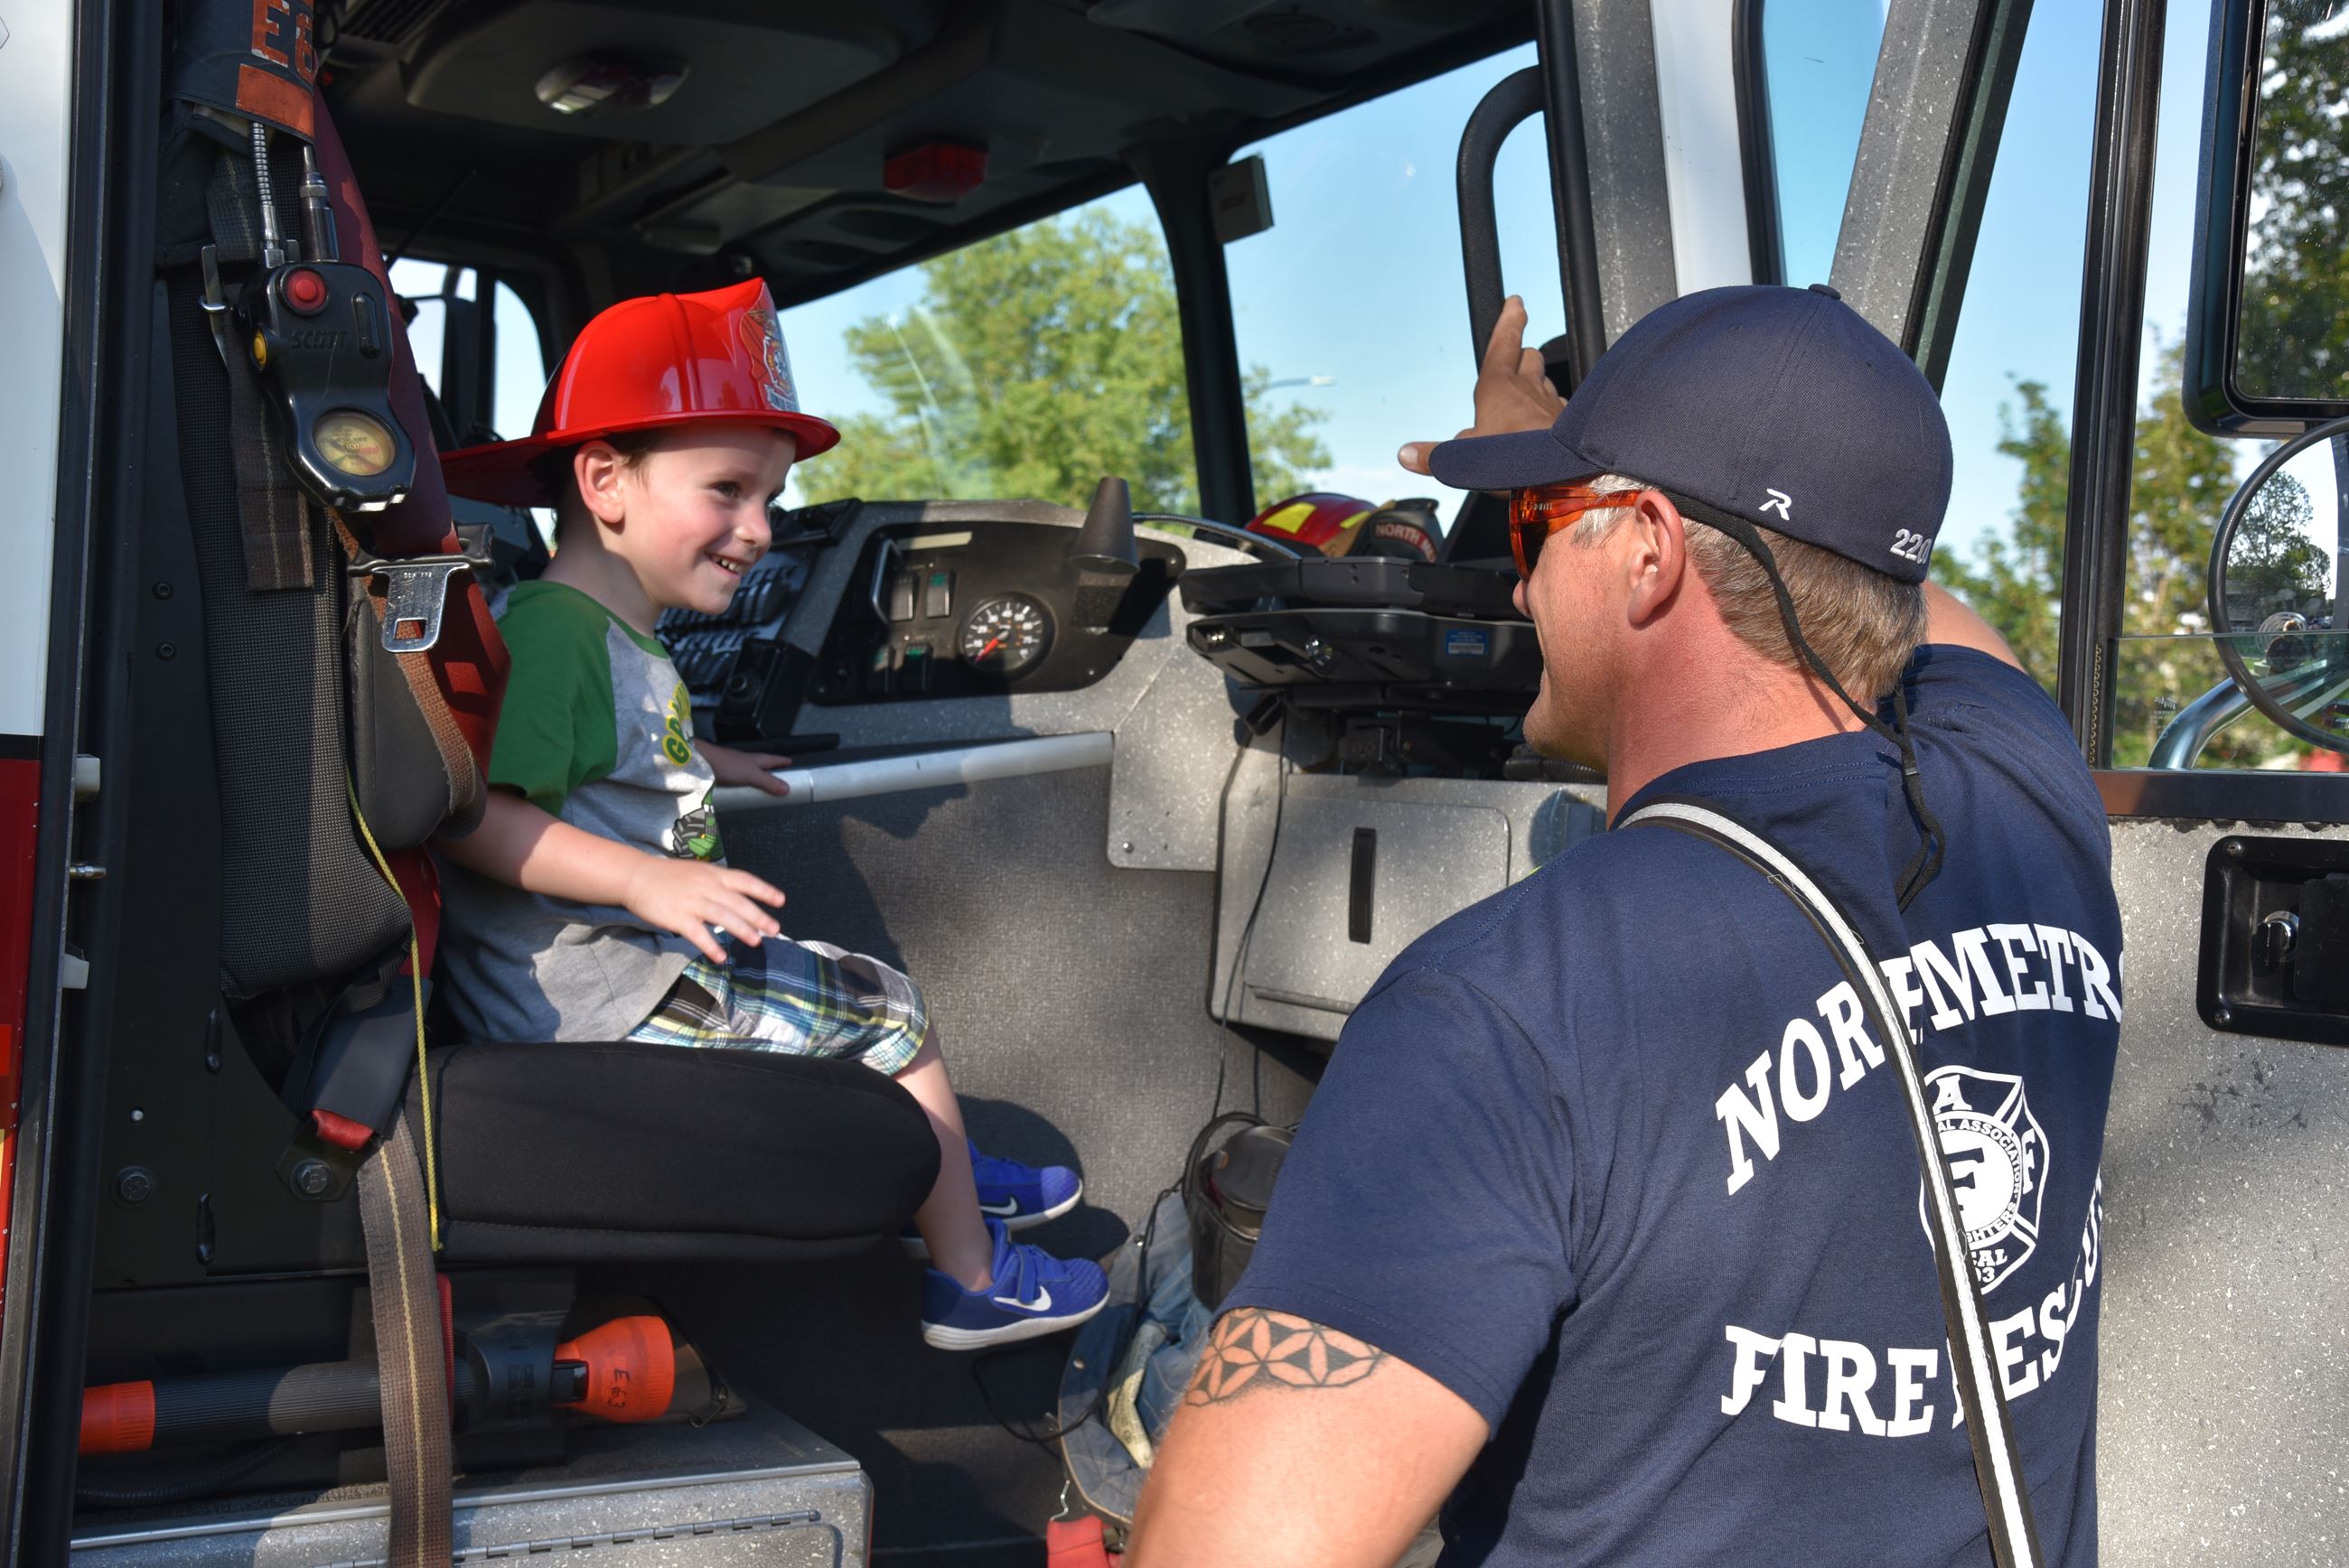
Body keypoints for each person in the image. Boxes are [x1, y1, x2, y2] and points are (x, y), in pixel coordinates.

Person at [1128, 287, 2122, 1566]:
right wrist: (1636, 456)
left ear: (1649, 552)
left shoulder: (1500, 1012)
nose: (1523, 569)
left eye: (1543, 523)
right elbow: (1889, 582)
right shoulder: (2031, 803)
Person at [431, 280, 1108, 1351]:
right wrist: (645, 876)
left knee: (823, 986)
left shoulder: (591, 625)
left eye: (771, 496)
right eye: (728, 489)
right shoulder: (562, 633)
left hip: (622, 966)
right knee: (889, 1008)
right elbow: (476, 817)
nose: (759, 527)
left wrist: (705, 757)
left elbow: (599, 742)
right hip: (601, 989)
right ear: (603, 480)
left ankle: (944, 1168)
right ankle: (971, 1276)